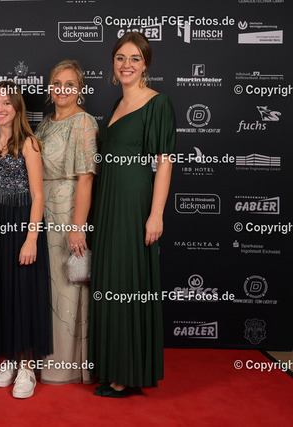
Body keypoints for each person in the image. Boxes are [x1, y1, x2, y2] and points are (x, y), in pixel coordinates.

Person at [89, 32, 175, 397]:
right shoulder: (117, 104)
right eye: (120, 58)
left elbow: (164, 162)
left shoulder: (158, 103)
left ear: (146, 65)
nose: (126, 65)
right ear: (113, 64)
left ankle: (127, 372)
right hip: (108, 201)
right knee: (112, 281)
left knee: (128, 282)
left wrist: (156, 214)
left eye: (135, 59)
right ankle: (112, 364)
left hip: (134, 201)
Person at [0, 81, 51, 399]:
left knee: (24, 291)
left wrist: (31, 238)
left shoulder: (28, 143)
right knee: (3, 289)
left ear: (18, 107)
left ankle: (27, 367)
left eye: (7, 102)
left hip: (22, 219)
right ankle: (9, 359)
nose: (0, 108)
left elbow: (38, 194)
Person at [34, 59, 98, 385]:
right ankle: (42, 358)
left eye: (69, 84)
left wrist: (78, 226)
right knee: (46, 287)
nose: (62, 89)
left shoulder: (84, 122)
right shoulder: (45, 123)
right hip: (42, 211)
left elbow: (86, 178)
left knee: (66, 286)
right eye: (57, 83)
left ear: (80, 89)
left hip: (67, 212)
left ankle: (66, 366)